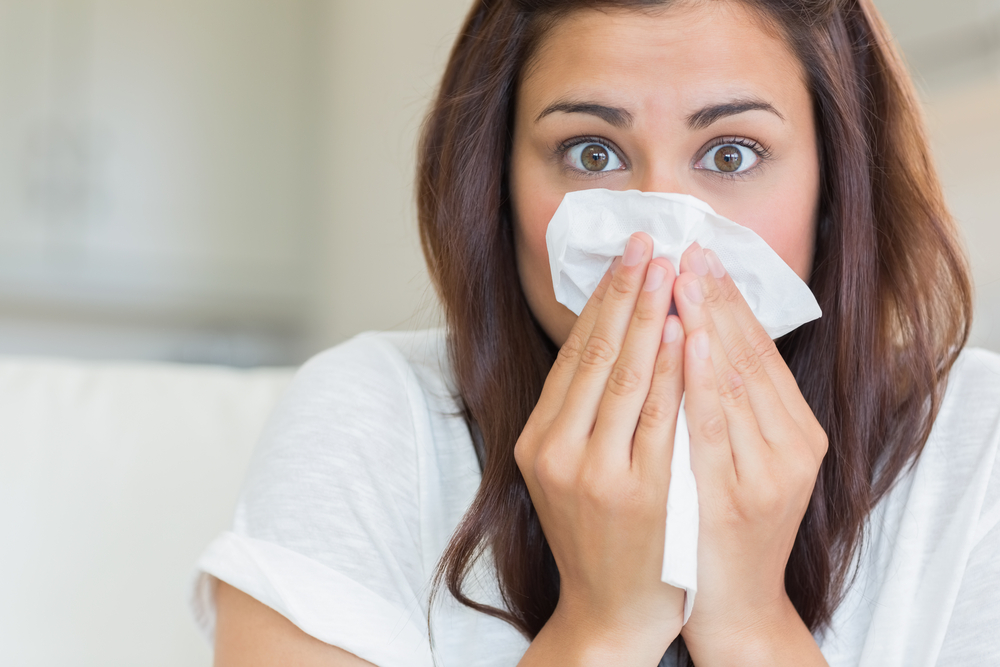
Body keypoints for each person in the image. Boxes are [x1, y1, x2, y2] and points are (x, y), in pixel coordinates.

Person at [192, 0, 1000, 665]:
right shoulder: (368, 417)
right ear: (496, 191)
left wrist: (749, 618)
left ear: (834, 190)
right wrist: (603, 627)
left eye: (729, 153)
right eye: (591, 152)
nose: (660, 237)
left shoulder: (976, 439)